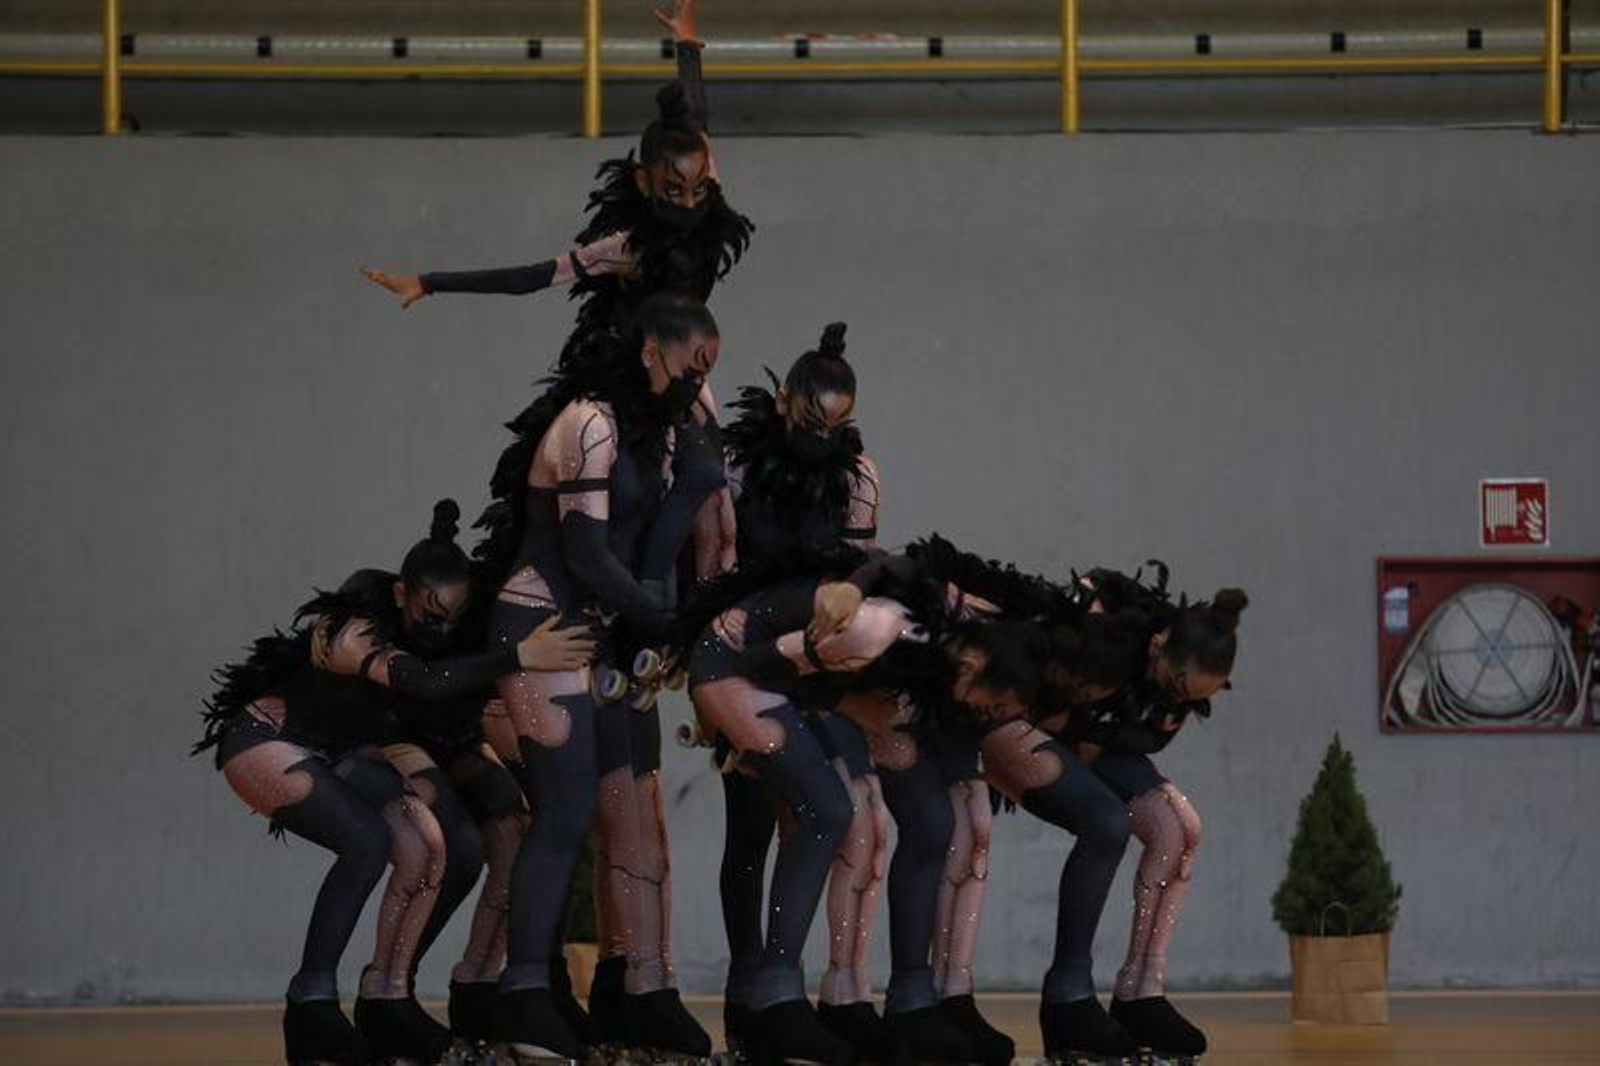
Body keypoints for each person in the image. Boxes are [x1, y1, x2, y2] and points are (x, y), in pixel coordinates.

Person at [195, 500, 592, 1065]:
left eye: (455, 618)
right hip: (269, 740)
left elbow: (443, 690)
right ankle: (311, 1004)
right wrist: (521, 654)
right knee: (367, 843)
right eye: (431, 615)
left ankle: (389, 993)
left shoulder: (437, 629)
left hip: (351, 748)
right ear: (403, 594)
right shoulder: (351, 628)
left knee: (430, 843)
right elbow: (424, 681)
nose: (443, 630)